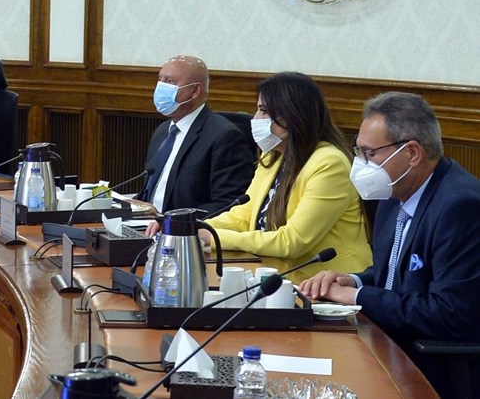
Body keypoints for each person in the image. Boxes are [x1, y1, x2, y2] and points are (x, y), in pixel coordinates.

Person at [300, 92, 480, 396]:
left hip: (434, 369)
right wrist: (352, 280)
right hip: (389, 346)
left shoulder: (460, 207)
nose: (361, 165)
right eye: (359, 153)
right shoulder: (394, 195)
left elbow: (448, 314)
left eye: (370, 153)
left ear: (412, 153)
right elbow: (396, 275)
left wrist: (357, 296)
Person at [198, 72, 371, 283]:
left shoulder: (329, 163)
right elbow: (245, 214)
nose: (255, 119)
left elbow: (293, 242)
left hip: (327, 283)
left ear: (293, 115)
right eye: (258, 109)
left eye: (263, 111)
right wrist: (198, 228)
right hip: (275, 272)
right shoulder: (274, 154)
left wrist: (214, 237)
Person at [135, 55, 255, 215]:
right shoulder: (163, 131)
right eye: (160, 80)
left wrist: (167, 219)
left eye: (170, 81)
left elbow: (227, 204)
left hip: (184, 228)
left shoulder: (225, 136)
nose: (161, 87)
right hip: (145, 224)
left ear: (195, 91)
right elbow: (152, 194)